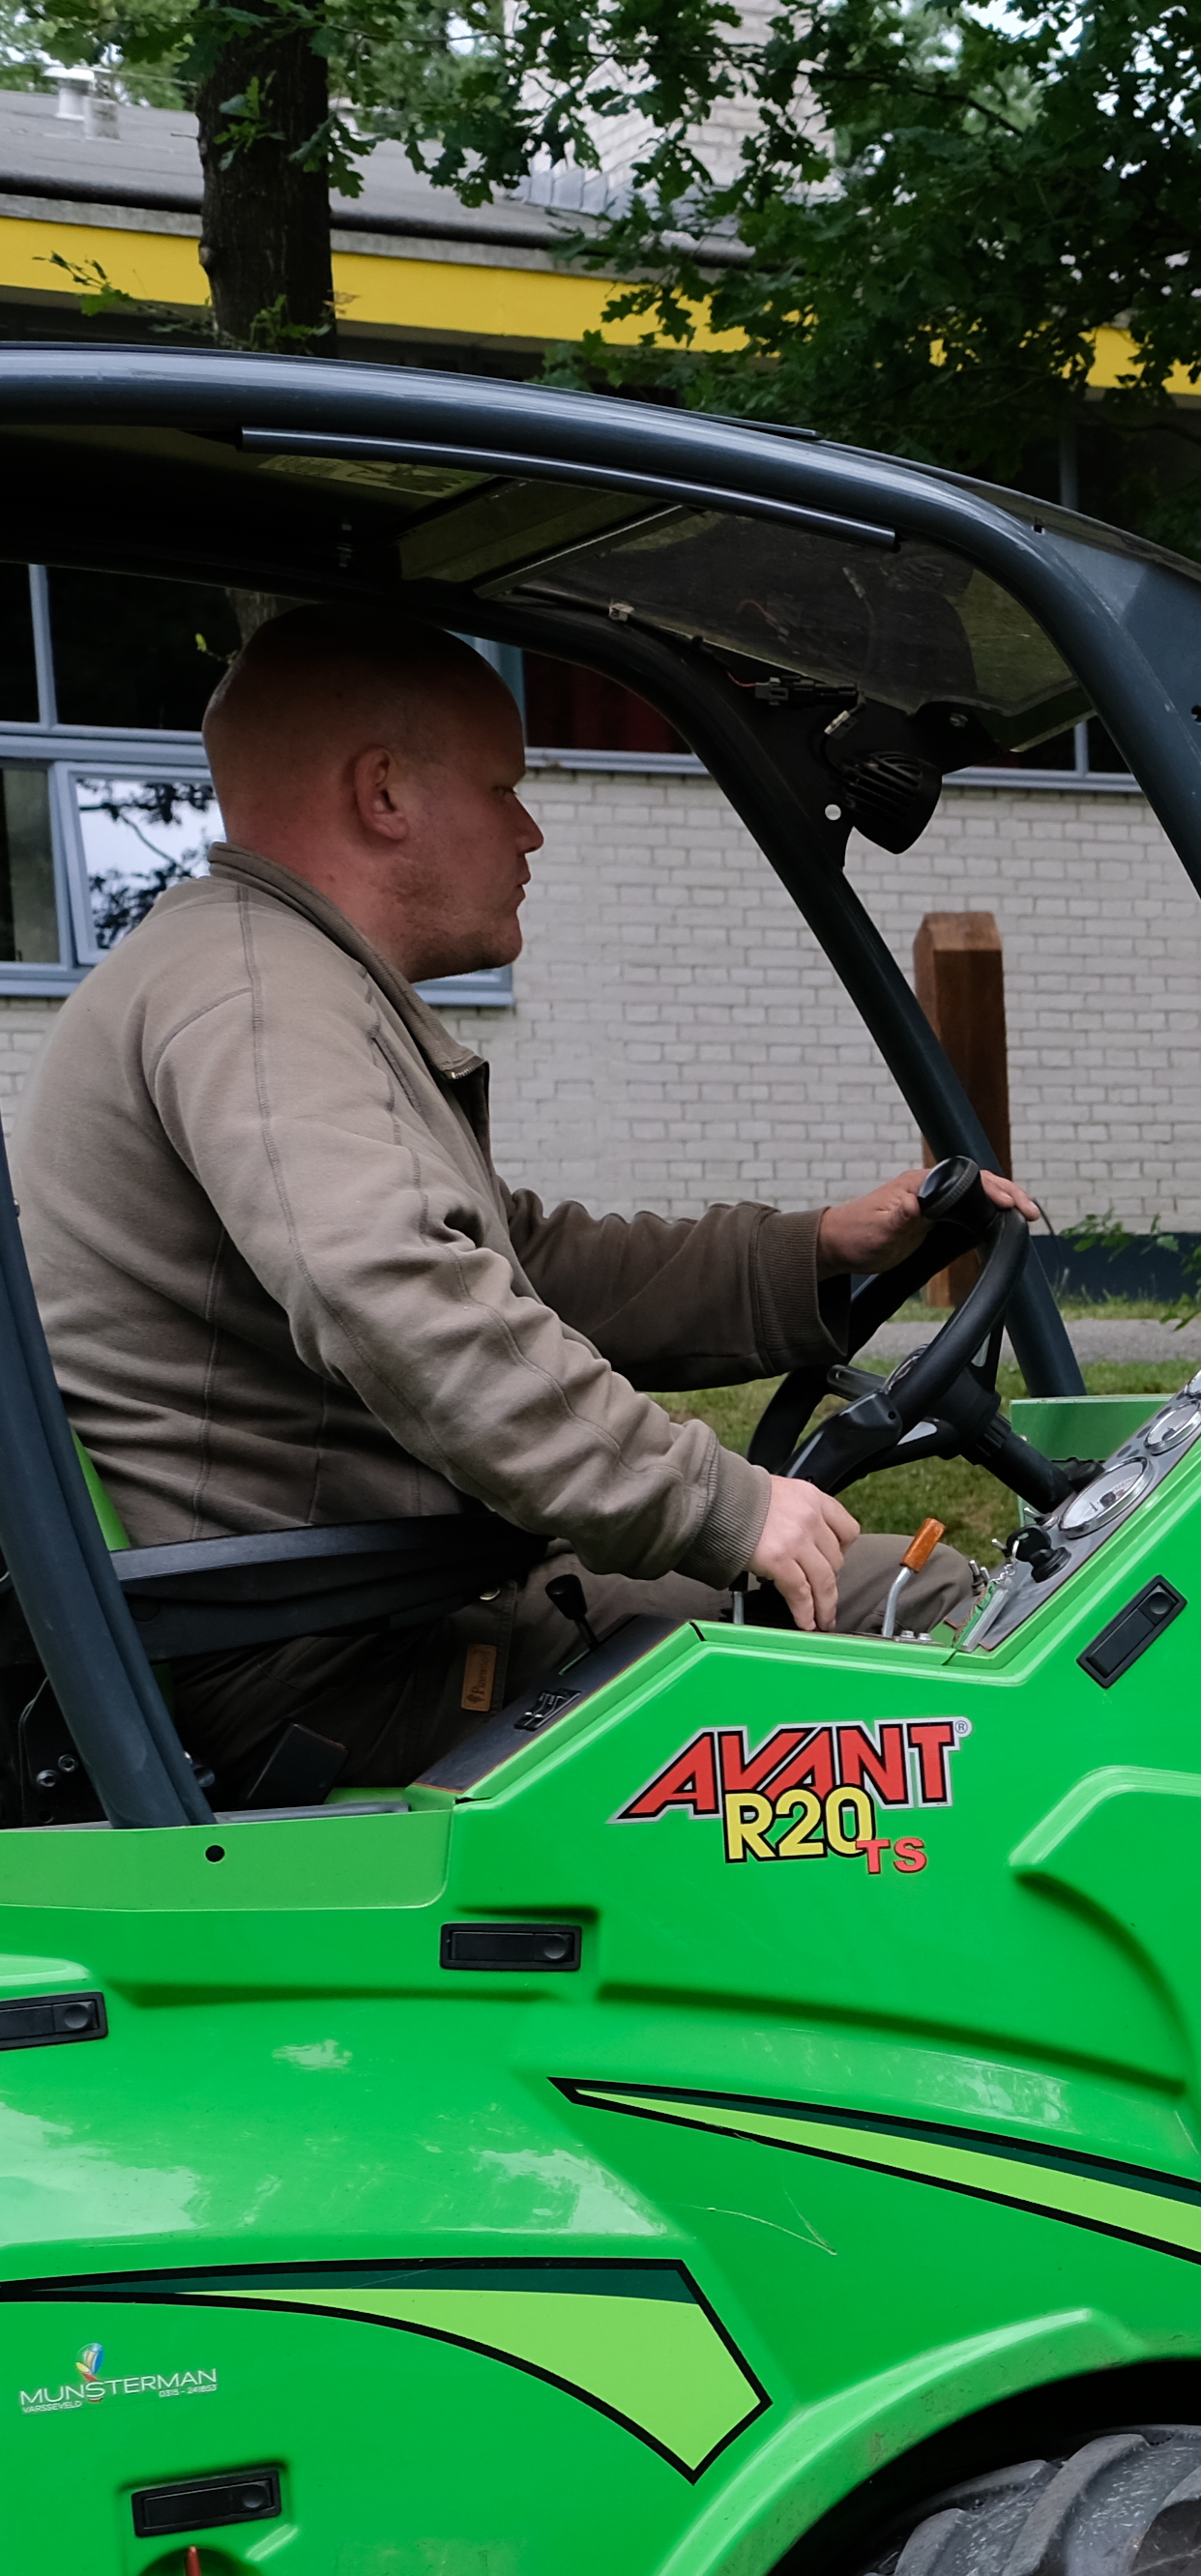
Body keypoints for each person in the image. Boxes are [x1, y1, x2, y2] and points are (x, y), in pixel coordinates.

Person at [23, 601, 1035, 1793]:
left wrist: (815, 1249)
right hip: (350, 1664)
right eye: (504, 787)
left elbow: (521, 1264)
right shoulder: (258, 995)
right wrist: (714, 1500)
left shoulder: (263, 972)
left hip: (358, 1614)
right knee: (932, 1617)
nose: (533, 828)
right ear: (385, 794)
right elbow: (394, 1289)